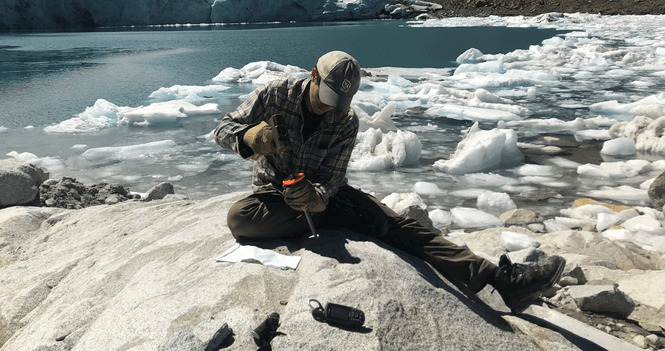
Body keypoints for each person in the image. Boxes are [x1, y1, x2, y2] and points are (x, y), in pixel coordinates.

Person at [214, 50, 565, 314]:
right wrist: (249, 139)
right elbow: (222, 129)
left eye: (339, 102)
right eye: (326, 97)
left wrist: (317, 199)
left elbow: (333, 178)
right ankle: (334, 219)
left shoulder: (344, 120)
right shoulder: (275, 94)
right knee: (238, 219)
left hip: (325, 199)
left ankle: (501, 280)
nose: (330, 108)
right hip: (274, 196)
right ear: (313, 77)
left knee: (399, 226)